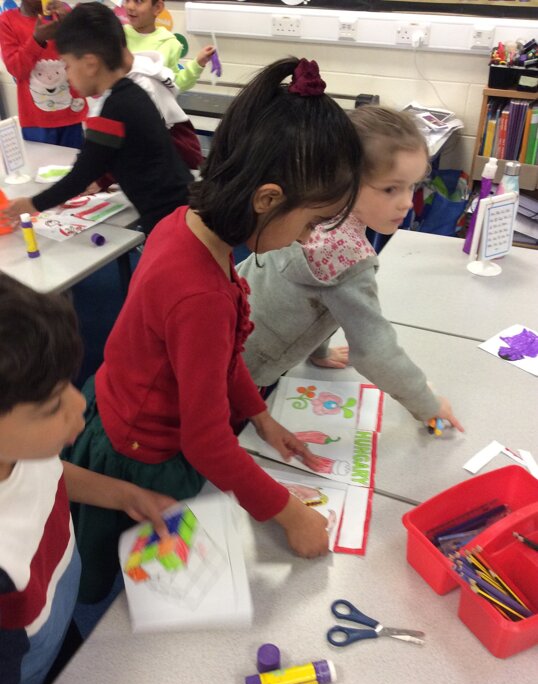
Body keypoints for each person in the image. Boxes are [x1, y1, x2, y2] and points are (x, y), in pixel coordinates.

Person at [62, 56, 362, 604]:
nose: (306, 239)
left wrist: (260, 416)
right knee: (132, 594)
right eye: (310, 222)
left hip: (121, 413)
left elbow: (221, 359)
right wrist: (289, 513)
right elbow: (204, 441)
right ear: (267, 199)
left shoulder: (187, 225)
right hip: (143, 452)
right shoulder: (200, 294)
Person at [0, 275, 177, 684]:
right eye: (51, 407)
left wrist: (124, 495)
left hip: (51, 633)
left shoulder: (22, 449)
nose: (79, 405)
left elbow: (47, 474)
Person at [238, 106, 464, 431]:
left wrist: (318, 351)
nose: (406, 202)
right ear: (345, 179)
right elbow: (375, 351)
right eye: (391, 188)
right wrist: (427, 403)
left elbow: (305, 295)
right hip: (246, 372)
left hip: (228, 335)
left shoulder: (307, 208)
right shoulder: (347, 256)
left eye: (412, 186)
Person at [4, 2, 192, 236]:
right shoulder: (131, 92)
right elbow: (112, 157)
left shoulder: (112, 111)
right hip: (183, 209)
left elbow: (81, 176)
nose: (67, 75)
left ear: (91, 64)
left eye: (67, 65)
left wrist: (31, 204)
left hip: (171, 223)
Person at [0, 0, 87, 148]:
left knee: (75, 160)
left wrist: (71, 24)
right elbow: (16, 69)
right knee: (40, 163)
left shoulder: (62, 14)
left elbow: (85, 55)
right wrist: (37, 40)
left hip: (72, 114)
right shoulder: (7, 21)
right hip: (36, 121)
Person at [123, 0, 215, 92]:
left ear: (157, 7)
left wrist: (197, 64)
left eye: (138, 1)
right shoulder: (118, 36)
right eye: (127, 0)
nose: (130, 6)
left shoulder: (169, 43)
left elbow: (175, 85)